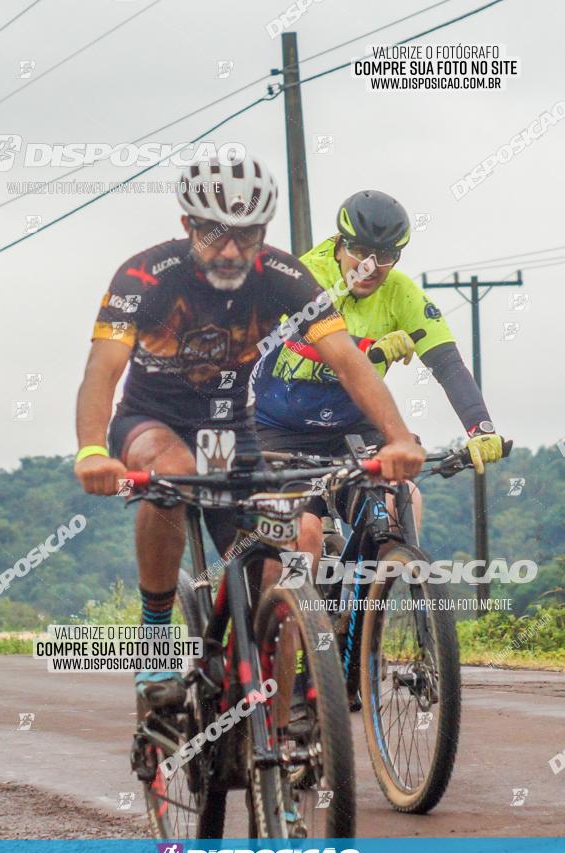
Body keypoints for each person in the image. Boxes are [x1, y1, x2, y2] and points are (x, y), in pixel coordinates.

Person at [74, 160, 425, 711]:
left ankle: (279, 746)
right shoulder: (146, 276)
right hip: (152, 420)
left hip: (228, 434)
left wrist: (399, 437)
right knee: (174, 473)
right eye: (217, 233)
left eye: (249, 234)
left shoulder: (283, 277)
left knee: (287, 559)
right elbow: (103, 369)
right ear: (189, 225)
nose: (233, 249)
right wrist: (94, 449)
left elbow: (348, 362)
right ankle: (156, 633)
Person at [253, 189, 503, 570]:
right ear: (339, 245)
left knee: (402, 505)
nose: (370, 266)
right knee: (303, 538)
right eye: (360, 252)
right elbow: (300, 341)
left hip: (355, 428)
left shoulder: (401, 293)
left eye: (385, 256)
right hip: (281, 428)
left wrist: (480, 427)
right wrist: (371, 350)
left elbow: (448, 363)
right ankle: (295, 622)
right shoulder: (305, 275)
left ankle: (367, 619)